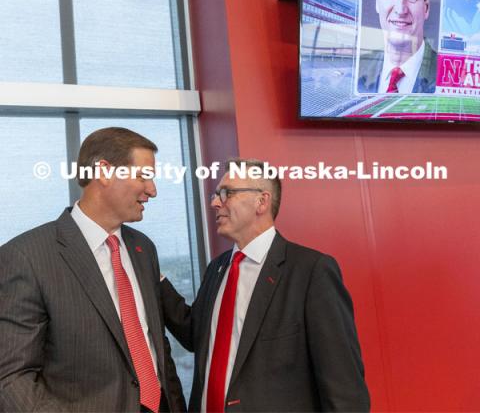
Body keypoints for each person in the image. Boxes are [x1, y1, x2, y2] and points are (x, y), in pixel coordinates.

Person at [161, 158, 370, 412]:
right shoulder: (217, 269)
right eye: (216, 194)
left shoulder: (311, 271)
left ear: (261, 202)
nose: (215, 203)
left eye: (226, 193)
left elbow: (343, 384)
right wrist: (154, 276)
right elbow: (197, 335)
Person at [0, 127, 186, 412]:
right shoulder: (27, 256)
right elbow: (11, 379)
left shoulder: (143, 248)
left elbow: (154, 344)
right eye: (144, 176)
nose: (153, 190)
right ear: (104, 171)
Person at [358, 0, 437, 94]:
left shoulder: (447, 75)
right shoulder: (359, 68)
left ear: (426, 7)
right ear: (377, 0)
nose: (401, 9)